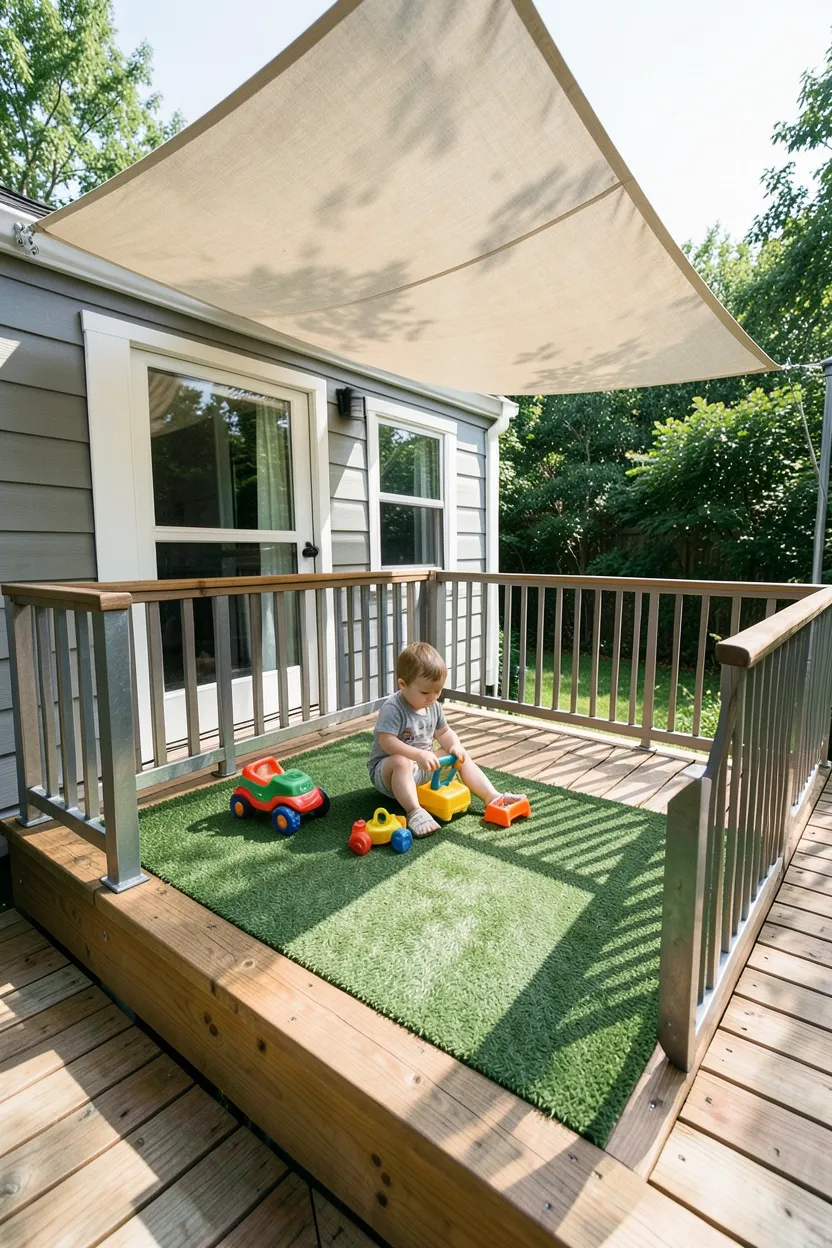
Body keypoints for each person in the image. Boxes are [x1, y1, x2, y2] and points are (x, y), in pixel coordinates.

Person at [367, 640, 527, 837]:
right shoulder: (393, 708)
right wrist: (417, 755)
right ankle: (414, 812)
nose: (433, 697)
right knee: (402, 762)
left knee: (460, 756)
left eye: (438, 691)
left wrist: (455, 746)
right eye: (426, 692)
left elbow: (443, 733)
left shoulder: (433, 705)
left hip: (423, 765)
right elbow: (387, 742)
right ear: (403, 684)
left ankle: (491, 796)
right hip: (388, 773)